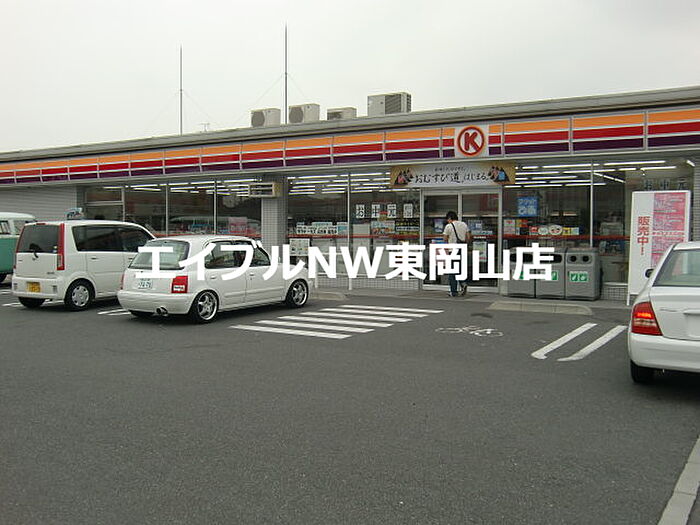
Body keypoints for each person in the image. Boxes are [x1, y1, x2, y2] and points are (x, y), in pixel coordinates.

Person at [443, 210, 471, 297]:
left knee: (452, 271)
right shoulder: (464, 224)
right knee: (460, 268)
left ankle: (454, 291)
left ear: (450, 218)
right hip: (462, 249)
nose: (447, 221)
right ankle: (463, 282)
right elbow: (468, 237)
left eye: (447, 219)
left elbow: (445, 238)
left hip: (453, 250)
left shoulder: (448, 226)